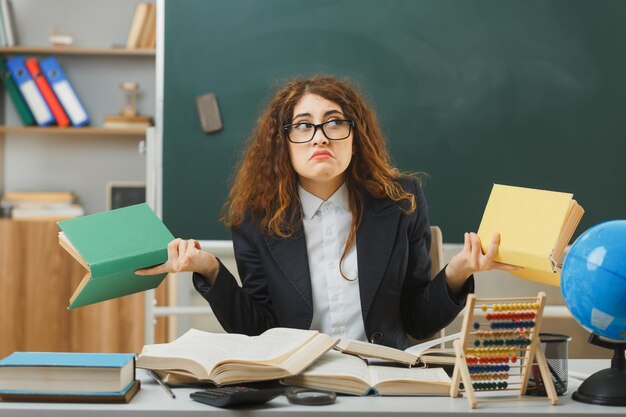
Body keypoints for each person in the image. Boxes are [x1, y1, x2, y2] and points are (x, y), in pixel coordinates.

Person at [137, 75, 518, 349]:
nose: (320, 135)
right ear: (282, 143)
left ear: (356, 136)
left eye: (334, 122)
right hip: (296, 383)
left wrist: (457, 272)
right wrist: (209, 270)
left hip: (382, 381)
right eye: (303, 125)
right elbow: (259, 331)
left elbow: (416, 320)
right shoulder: (256, 218)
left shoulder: (401, 202)